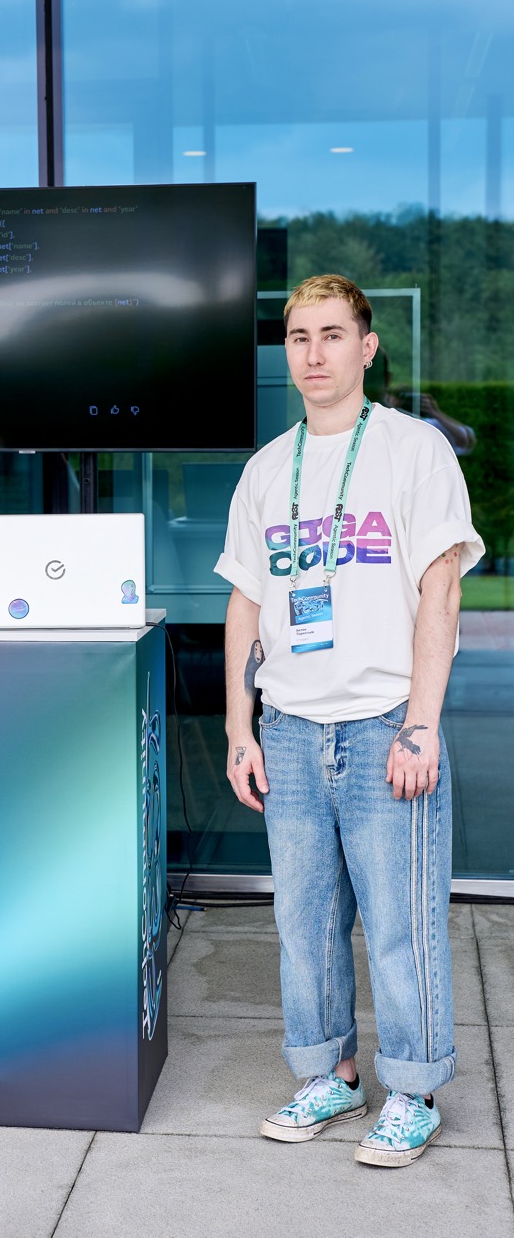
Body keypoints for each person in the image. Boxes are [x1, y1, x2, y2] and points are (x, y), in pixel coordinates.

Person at [215, 274, 484, 1168]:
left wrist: (420, 723)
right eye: (298, 337)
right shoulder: (265, 469)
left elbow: (440, 588)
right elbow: (245, 604)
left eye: (332, 334)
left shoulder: (413, 450)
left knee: (401, 924)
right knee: (303, 924)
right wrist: (240, 729)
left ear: (366, 347)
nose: (314, 353)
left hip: (382, 724)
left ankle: (412, 1091)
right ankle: (329, 1075)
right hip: (291, 729)